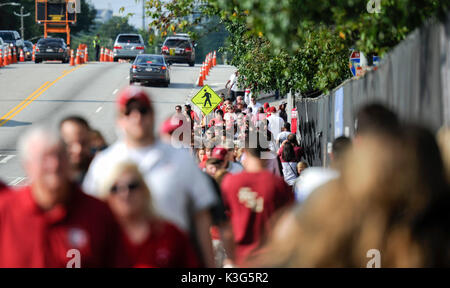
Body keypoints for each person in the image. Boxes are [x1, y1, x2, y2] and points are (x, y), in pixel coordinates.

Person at [82, 87, 218, 267]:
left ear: (153, 115)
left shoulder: (180, 158)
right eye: (129, 112)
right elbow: (89, 221)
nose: (137, 117)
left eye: (143, 110)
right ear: (119, 120)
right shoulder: (104, 164)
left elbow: (201, 217)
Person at [0, 126, 130, 268]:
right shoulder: (5, 211)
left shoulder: (98, 213)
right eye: (45, 158)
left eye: (59, 156)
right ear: (28, 166)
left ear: (69, 160)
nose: (54, 165)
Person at [100, 162, 200, 268]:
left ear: (144, 191)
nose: (125, 193)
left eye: (132, 186)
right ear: (106, 195)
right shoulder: (99, 238)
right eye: (115, 188)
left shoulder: (170, 234)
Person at [221, 134, 294, 266]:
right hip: (272, 260)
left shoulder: (229, 183)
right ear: (266, 153)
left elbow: (225, 227)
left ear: (245, 152)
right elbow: (289, 226)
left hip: (241, 259)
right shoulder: (278, 185)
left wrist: (231, 258)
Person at [59, 116, 94, 184]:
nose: (78, 149)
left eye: (83, 143)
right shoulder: (58, 184)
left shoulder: (105, 167)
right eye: (70, 143)